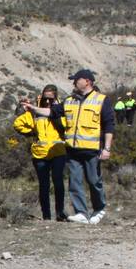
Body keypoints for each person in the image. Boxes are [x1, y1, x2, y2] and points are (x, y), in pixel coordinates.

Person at [21, 69, 114, 223]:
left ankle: (99, 209)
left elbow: (109, 125)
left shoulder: (101, 100)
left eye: (76, 80)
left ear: (87, 81)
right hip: (72, 149)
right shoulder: (70, 100)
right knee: (75, 182)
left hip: (92, 149)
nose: (73, 83)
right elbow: (52, 112)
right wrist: (34, 109)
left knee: (93, 181)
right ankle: (81, 213)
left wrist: (107, 148)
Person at [13, 87, 67, 221]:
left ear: (55, 98)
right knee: (44, 185)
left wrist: (55, 115)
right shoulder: (35, 112)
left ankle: (60, 213)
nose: (47, 101)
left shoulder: (61, 109)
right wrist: (31, 133)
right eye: (45, 98)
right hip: (40, 154)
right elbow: (18, 124)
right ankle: (46, 216)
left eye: (51, 99)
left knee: (58, 182)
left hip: (58, 151)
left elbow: (67, 126)